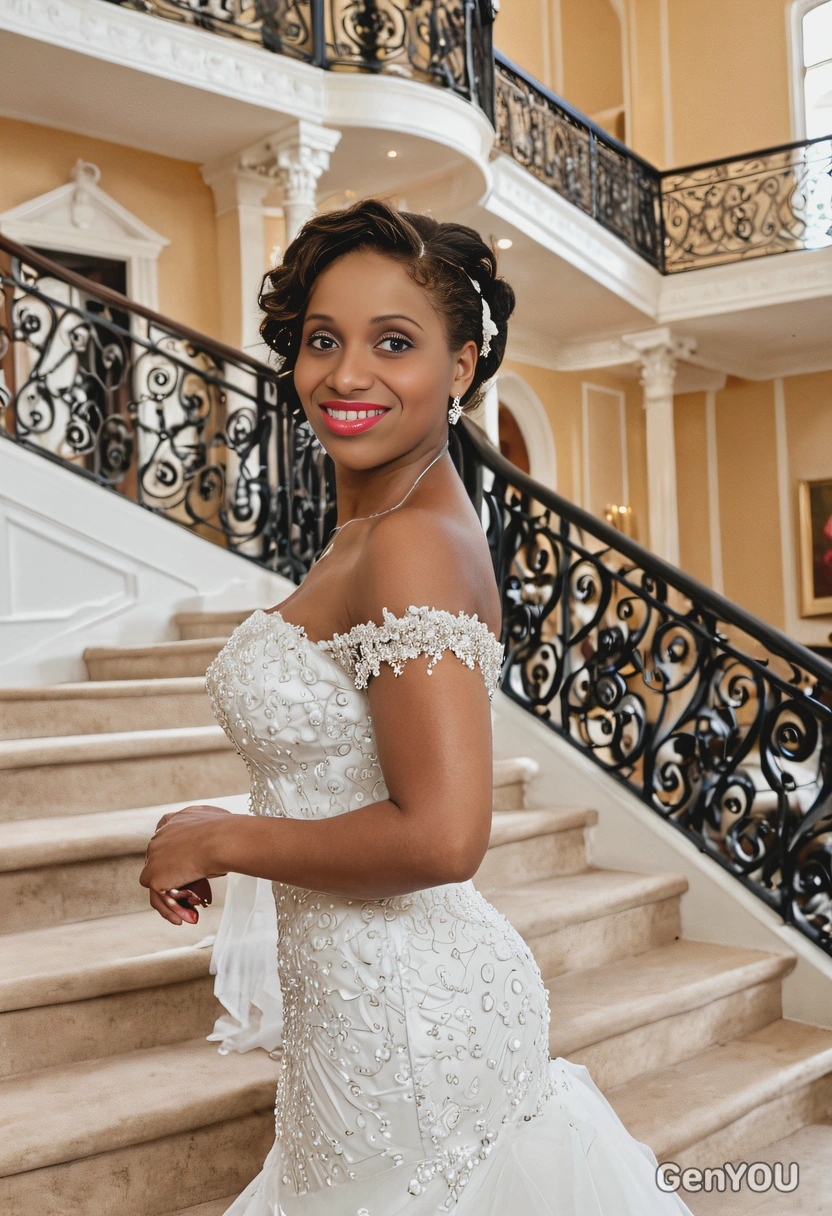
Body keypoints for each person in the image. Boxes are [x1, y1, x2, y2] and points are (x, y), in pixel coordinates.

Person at [140, 198, 692, 1215]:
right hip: (361, 1012)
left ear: (464, 365)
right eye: (321, 339)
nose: (346, 375)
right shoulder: (378, 526)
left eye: (394, 342)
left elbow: (441, 835)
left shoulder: (411, 542)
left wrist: (222, 838)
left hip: (408, 1025)